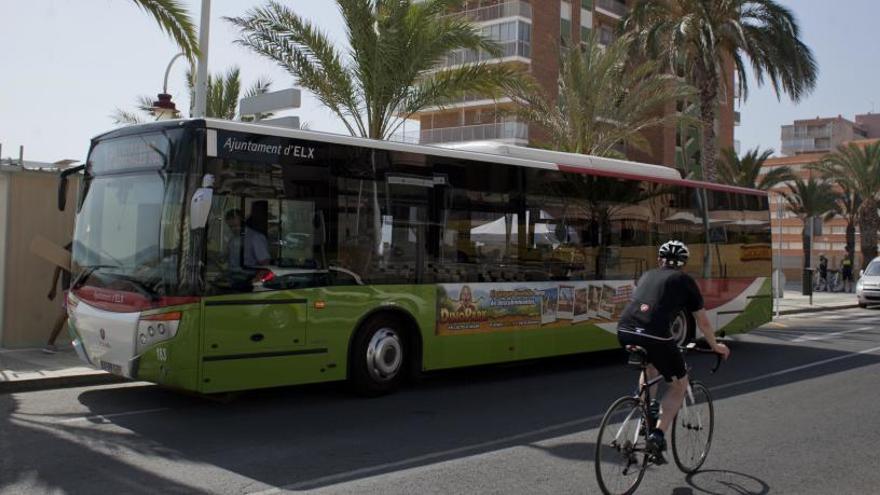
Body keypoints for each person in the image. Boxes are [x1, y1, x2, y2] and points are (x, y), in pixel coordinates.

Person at [616, 240, 730, 461]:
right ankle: (657, 435)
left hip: (625, 330)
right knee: (679, 385)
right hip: (655, 335)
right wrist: (716, 346)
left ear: (660, 260)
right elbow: (704, 323)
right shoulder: (684, 280)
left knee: (650, 367)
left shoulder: (647, 275)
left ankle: (645, 409)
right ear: (683, 263)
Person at [44, 242, 72, 354]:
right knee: (65, 313)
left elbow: (57, 269)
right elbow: (58, 268)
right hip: (75, 287)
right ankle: (50, 343)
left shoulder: (69, 246)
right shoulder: (77, 247)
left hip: (70, 287)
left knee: (67, 314)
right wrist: (53, 288)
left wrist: (54, 288)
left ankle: (50, 343)